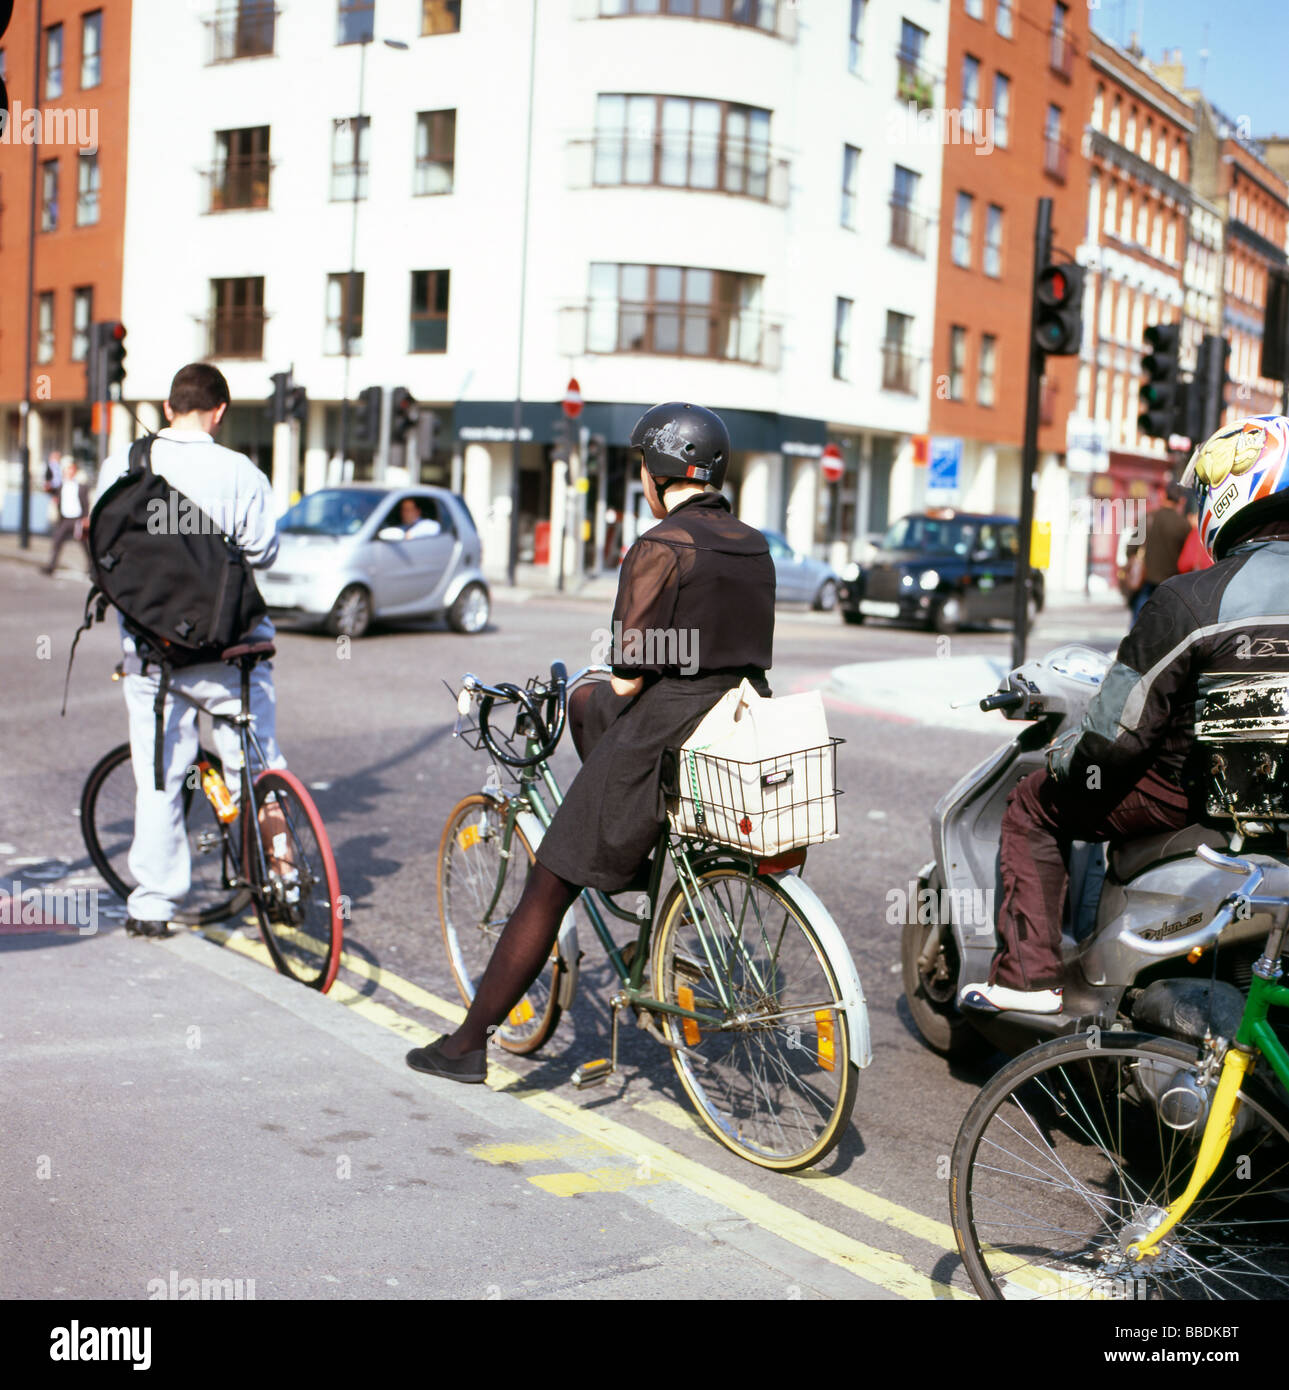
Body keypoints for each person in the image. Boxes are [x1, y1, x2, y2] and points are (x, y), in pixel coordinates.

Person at [406, 401, 776, 1082]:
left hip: (665, 730)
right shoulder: (754, 544)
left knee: (549, 882)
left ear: (660, 470)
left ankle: (464, 1047)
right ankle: (627, 857)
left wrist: (587, 695)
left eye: (642, 464)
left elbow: (630, 677)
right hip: (738, 721)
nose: (640, 477)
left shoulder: (662, 546)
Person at [960, 415, 1289, 1013]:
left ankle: (1027, 982)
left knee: (1033, 804)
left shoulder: (1191, 599)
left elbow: (1118, 738)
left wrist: (1065, 758)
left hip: (1190, 799)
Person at [94, 363, 287, 938]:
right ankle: (285, 877)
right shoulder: (240, 471)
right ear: (220, 411)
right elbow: (265, 552)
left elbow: (103, 544)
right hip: (232, 651)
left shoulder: (125, 465)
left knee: (160, 775)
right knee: (259, 764)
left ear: (168, 405)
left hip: (153, 653)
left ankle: (153, 904)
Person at [1126, 480, 1190, 621]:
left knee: (1139, 624)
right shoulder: (1184, 525)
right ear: (1181, 500)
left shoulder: (1148, 518)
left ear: (1163, 496)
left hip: (1146, 581)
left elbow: (1130, 548)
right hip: (1172, 585)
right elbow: (1187, 558)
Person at [42, 459, 90, 575]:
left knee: (84, 543)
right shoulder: (60, 486)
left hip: (77, 519)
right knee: (57, 541)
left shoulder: (81, 487)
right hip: (64, 519)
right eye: (67, 471)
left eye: (71, 470)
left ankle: (91, 566)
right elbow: (49, 490)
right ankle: (51, 566)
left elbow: (85, 503)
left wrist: (85, 518)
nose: (69, 473)